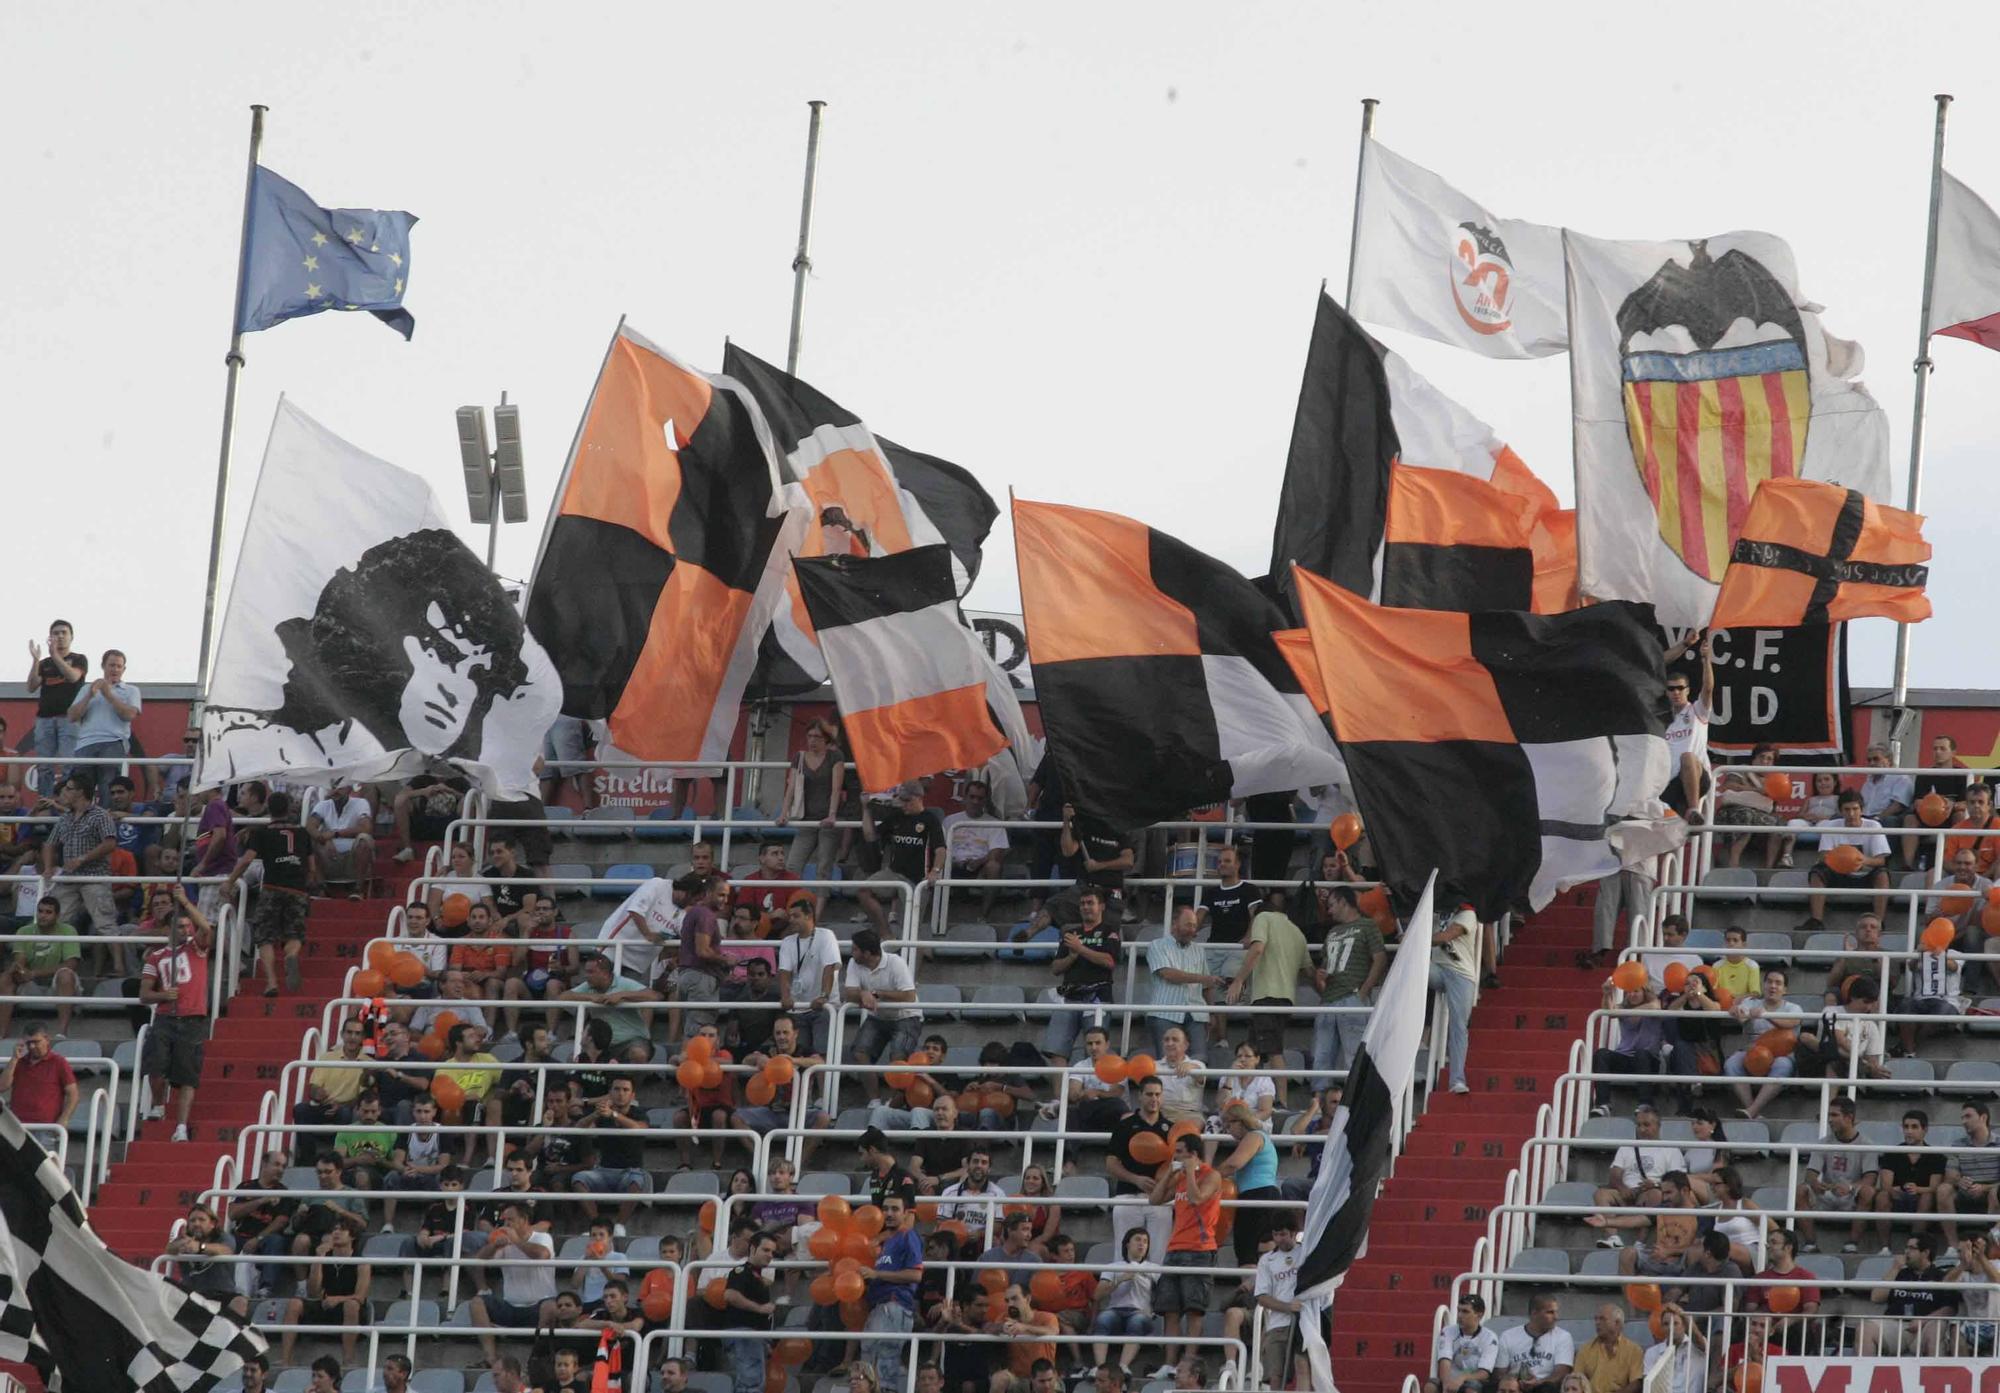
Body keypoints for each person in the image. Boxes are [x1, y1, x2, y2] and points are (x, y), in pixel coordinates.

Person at [139, 885, 212, 1141]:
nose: (186, 930)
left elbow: (206, 928)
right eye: (180, 927)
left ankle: (181, 1127)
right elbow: (144, 994)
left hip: (192, 1019)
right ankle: (158, 1104)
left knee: (187, 1076)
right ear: (169, 930)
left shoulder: (197, 949)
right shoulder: (155, 958)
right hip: (165, 1017)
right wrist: (163, 995)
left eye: (187, 926)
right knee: (155, 1067)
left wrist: (184, 901)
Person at [227, 789, 314, 996]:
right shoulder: (302, 833)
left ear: (269, 809)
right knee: (295, 934)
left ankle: (272, 983)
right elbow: (312, 868)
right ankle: (291, 954)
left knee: (265, 936)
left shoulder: (262, 833)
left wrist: (230, 881)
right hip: (297, 888)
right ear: (289, 809)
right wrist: (306, 888)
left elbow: (247, 859)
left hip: (272, 887)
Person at [1149, 1131, 1221, 1372]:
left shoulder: (1212, 1175)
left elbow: (1197, 1198)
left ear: (1193, 1154)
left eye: (1179, 1152)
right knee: (1169, 1309)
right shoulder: (1178, 1177)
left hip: (1200, 1249)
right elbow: (1155, 1200)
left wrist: (1190, 1172)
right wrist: (1170, 1173)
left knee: (1194, 1310)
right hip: (1174, 1248)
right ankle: (1169, 1364)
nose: (1175, 1156)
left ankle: (1188, 1363)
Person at [468, 1201, 559, 1365]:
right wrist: (494, 1246)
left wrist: (516, 1240)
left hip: (537, 1307)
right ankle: (490, 1358)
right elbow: (478, 1261)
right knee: (477, 1303)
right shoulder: (504, 1242)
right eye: (504, 1221)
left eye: (510, 1220)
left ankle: (538, 1358)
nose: (505, 1225)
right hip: (510, 1307)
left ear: (524, 1220)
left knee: (551, 1307)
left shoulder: (542, 1237)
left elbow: (542, 1255)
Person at [1041, 886, 1121, 1065]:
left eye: (1090, 903)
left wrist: (1081, 949)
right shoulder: (1071, 934)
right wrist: (1071, 956)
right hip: (1069, 996)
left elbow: (1109, 962)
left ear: (1101, 906)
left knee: (1096, 1050)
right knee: (1057, 1051)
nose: (1085, 907)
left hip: (1098, 997)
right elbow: (1055, 968)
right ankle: (1060, 1094)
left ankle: (1092, 1093)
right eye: (1082, 904)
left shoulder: (1110, 932)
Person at [1228, 895, 1312, 1062]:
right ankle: (1258, 1089)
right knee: (1254, 1052)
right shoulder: (1296, 931)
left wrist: (1238, 980)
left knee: (1273, 1051)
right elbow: (1309, 971)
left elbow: (1258, 948)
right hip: (1286, 999)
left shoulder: (1263, 917)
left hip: (1267, 997)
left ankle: (1281, 1090)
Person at [278, 1218, 371, 1367]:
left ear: (352, 1236)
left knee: (352, 1305)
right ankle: (286, 1359)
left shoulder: (361, 1262)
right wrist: (318, 1259)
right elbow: (313, 1292)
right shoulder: (324, 1257)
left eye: (342, 1229)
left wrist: (338, 1299)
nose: (336, 1232)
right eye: (334, 1229)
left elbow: (360, 1296)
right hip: (324, 1304)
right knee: (295, 1303)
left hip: (348, 1308)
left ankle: (348, 1360)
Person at [1313, 885, 1385, 1077]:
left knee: (1353, 1056)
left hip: (1352, 996)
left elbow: (1380, 958)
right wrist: (1320, 980)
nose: (1329, 910)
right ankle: (1319, 1100)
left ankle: (1351, 1103)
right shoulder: (1332, 931)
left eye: (1331, 905)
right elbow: (1327, 964)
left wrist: (1363, 992)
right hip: (1328, 999)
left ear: (1344, 902)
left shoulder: (1368, 925)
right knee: (1321, 1056)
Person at [1796, 789, 1892, 932]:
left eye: (1855, 809)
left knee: (1883, 875)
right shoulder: (1831, 825)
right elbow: (1824, 855)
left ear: (1862, 809)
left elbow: (1881, 860)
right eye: (1847, 809)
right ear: (1840, 811)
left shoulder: (1873, 826)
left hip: (1865, 874)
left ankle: (1879, 922)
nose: (1851, 814)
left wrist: (1863, 860)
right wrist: (1842, 862)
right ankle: (1816, 920)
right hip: (1838, 873)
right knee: (1817, 872)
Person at [844, 927, 923, 1098]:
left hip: (907, 1016)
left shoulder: (896, 963)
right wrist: (863, 993)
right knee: (860, 1053)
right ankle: (875, 1100)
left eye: (855, 949)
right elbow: (849, 993)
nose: (851, 952)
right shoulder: (854, 963)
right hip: (878, 1017)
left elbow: (909, 996)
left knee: (898, 1057)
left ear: (866, 953)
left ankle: (894, 1103)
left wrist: (878, 993)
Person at [859, 781, 946, 934]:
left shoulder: (930, 819)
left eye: (907, 801)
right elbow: (870, 836)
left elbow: (940, 850)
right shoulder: (896, 817)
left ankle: (920, 954)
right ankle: (886, 934)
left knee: (912, 931)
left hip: (917, 879)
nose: (903, 804)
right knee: (863, 890)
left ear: (919, 798)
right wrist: (866, 809)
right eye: (901, 800)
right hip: (893, 873)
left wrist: (935, 871)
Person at [42, 774, 116, 936]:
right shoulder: (65, 818)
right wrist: (48, 868)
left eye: (68, 788)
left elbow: (110, 843)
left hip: (95, 877)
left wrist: (82, 859)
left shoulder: (100, 815)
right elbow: (49, 844)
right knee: (55, 921)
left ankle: (119, 962)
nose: (64, 792)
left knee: (106, 925)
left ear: (80, 792)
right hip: (70, 877)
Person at [864, 1192, 924, 1390]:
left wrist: (876, 1275)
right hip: (878, 1306)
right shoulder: (881, 1242)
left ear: (906, 1213)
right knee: (869, 1362)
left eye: (895, 1209)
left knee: (884, 1367)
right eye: (885, 1209)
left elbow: (915, 1275)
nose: (889, 1213)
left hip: (895, 1304)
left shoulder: (908, 1236)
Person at [1861, 1233, 1957, 1356]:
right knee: (1866, 1329)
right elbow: (1876, 1297)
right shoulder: (1899, 1274)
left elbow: (1949, 1309)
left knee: (1936, 1328)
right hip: (1896, 1325)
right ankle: (1864, 1374)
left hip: (1925, 1327)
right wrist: (1895, 1268)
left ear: (1925, 1253)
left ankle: (1935, 1375)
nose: (1906, 1252)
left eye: (1911, 1248)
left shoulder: (1941, 1276)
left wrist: (1923, 1321)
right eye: (1906, 1248)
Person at [1146, 904, 1222, 1059]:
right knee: (1168, 1062)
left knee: (1199, 1062)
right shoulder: (1157, 945)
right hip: (1165, 1012)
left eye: (1194, 926)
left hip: (1196, 1014)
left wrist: (1212, 1013)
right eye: (1188, 925)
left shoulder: (1199, 950)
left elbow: (1206, 987)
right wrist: (1203, 978)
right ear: (1174, 923)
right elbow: (1168, 974)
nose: (1192, 930)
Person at [0, 898, 82, 1041]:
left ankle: (62, 1033)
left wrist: (34, 973)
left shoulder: (68, 930)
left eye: (48, 912)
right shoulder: (24, 931)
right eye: (40, 911)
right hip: (31, 984)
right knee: (6, 977)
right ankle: (2, 1033)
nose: (43, 915)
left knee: (66, 975)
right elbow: (20, 960)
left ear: (57, 915)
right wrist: (19, 969)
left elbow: (71, 963)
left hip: (58, 985)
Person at [574, 1075, 651, 1225]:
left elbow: (639, 1128)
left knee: (637, 1181)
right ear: (610, 1093)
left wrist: (614, 1114)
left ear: (632, 1095)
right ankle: (598, 1226)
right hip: (603, 1171)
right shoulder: (602, 1115)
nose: (621, 1093)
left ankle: (620, 1226)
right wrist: (595, 1114)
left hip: (630, 1171)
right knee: (579, 1179)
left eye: (625, 1090)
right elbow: (579, 1128)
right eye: (616, 1089)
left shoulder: (639, 1113)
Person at [558, 953, 660, 1064]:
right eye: (586, 972)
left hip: (632, 1040)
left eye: (591, 972)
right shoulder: (587, 986)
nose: (586, 976)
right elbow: (562, 997)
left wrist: (622, 995)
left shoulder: (624, 983)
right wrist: (590, 997)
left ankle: (632, 1081)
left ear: (605, 973)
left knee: (638, 1054)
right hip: (602, 1043)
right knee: (573, 1061)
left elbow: (655, 996)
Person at [1724, 968, 1797, 1119]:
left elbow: (1792, 1022)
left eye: (1778, 983)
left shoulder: (1793, 1008)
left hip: (1780, 1055)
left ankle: (1752, 1111)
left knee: (1783, 1065)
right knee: (1731, 1064)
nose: (1773, 986)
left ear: (1785, 989)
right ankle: (1752, 1109)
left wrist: (1767, 1015)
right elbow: (1742, 1016)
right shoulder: (1751, 1003)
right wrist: (1736, 1010)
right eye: (1769, 982)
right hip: (1751, 1052)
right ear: (1764, 985)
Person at [776, 893, 841, 1058]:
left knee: (821, 1055)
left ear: (809, 916)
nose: (791, 920)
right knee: (798, 1056)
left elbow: (829, 967)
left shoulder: (826, 935)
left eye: (796, 916)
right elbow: (784, 972)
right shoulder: (788, 941)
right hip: (797, 1008)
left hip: (824, 1007)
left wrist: (824, 996)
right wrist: (785, 996)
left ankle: (824, 1085)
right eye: (790, 916)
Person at [1214, 1100, 1278, 1267]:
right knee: (1261, 1244)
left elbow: (1233, 1164)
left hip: (1257, 1194)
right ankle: (1258, 1286)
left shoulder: (1254, 1136)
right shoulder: (1258, 1137)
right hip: (1262, 1193)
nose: (1228, 1131)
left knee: (1247, 1246)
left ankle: (1250, 1286)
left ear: (1240, 1121)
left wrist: (1209, 1177)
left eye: (1229, 1125)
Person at [669, 873, 732, 1040]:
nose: (724, 900)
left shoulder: (694, 912)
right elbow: (703, 951)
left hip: (689, 976)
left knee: (693, 1031)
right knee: (700, 1033)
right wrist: (726, 960)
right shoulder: (705, 914)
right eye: (721, 895)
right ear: (708, 892)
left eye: (727, 896)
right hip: (700, 978)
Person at [780, 719, 846, 873]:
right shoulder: (800, 757)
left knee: (824, 865)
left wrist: (832, 815)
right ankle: (793, 897)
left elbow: (836, 788)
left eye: (817, 737)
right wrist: (784, 814)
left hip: (828, 817)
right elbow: (791, 788)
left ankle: (821, 898)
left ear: (826, 739)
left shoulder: (835, 756)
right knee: (792, 865)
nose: (812, 741)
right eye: (810, 736)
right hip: (807, 818)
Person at [1661, 634, 1714, 821]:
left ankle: (1693, 810)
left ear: (1688, 690)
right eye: (1671, 689)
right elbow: (1655, 664)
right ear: (1666, 692)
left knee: (1687, 757)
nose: (1676, 692)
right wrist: (1684, 644)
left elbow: (1708, 689)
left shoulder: (1697, 711)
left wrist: (1706, 659)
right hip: (1671, 781)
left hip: (1698, 777)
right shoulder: (1662, 720)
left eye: (1680, 688)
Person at [1090, 1227, 1157, 1371]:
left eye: (1145, 1241)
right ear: (1127, 1244)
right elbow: (1097, 1295)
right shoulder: (1112, 1267)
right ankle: (1100, 1367)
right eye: (1138, 1240)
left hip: (1140, 1313)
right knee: (1103, 1319)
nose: (1142, 1244)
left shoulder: (1154, 1268)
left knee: (1136, 1321)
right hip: (1115, 1311)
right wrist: (1120, 1279)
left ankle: (1123, 1366)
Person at [1429, 905, 1480, 1094]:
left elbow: (1445, 936)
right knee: (1413, 964)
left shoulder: (1468, 914)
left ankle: (1457, 1080)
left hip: (1461, 976)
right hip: (1438, 969)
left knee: (1458, 1026)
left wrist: (1417, 940)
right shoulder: (1440, 912)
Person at [942, 778, 1009, 917]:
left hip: (979, 867)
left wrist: (979, 862)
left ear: (985, 800)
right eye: (972, 797)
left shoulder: (995, 823)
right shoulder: (949, 820)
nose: (975, 802)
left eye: (980, 798)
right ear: (965, 797)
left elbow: (997, 852)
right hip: (950, 865)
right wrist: (951, 862)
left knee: (994, 867)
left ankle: (983, 917)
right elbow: (939, 847)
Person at [1252, 1211, 1304, 1389]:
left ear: (1293, 1232)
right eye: (1276, 1234)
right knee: (1276, 1376)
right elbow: (1262, 1297)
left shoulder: (1306, 1252)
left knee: (1303, 1371)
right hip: (1277, 1325)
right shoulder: (1267, 1260)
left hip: (1305, 1322)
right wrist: (1288, 1307)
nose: (1279, 1239)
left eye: (1283, 1234)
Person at [723, 1230, 778, 1393]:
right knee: (750, 1385)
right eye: (766, 1250)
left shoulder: (758, 1277)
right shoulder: (742, 1272)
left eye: (773, 1252)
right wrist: (760, 1308)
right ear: (753, 1249)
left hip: (754, 1336)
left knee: (753, 1383)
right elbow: (730, 1295)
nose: (770, 1255)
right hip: (745, 1333)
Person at [1939, 1099, 2000, 1244]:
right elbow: (1950, 1175)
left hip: (1992, 1190)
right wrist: (1958, 1180)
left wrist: (1984, 1187)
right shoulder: (1958, 1144)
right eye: (1962, 1118)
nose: (1964, 1121)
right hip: (1964, 1192)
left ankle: (1993, 1243)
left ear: (1983, 1117)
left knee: (1995, 1192)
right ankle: (1953, 1247)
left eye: (1968, 1116)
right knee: (1943, 1189)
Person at [67, 648, 141, 764]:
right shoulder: (86, 689)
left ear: (124, 669)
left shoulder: (131, 690)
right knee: (81, 781)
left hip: (114, 742)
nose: (115, 669)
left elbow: (129, 715)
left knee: (109, 781)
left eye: (119, 666)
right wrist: (89, 695)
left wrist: (108, 694)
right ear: (103, 666)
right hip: (85, 743)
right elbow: (71, 717)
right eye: (111, 665)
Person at [307, 778, 376, 899]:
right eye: (333, 788)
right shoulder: (323, 805)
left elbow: (366, 827)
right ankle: (321, 888)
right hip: (329, 858)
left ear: (349, 788)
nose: (336, 791)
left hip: (352, 860)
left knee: (364, 839)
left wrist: (335, 834)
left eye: (340, 788)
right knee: (311, 840)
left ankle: (358, 889)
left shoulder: (360, 803)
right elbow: (310, 826)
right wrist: (323, 839)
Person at [1494, 1292, 1573, 1393]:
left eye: (1556, 1312)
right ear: (1534, 1313)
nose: (1556, 1317)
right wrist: (1515, 1383)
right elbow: (1500, 1373)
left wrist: (1538, 1383)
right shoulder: (1508, 1336)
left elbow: (1561, 1373)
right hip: (1515, 1387)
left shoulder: (1563, 1336)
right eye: (1550, 1312)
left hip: (1544, 1388)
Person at [0, 1024, 77, 1127]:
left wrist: (64, 1119)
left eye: (36, 1042)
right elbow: (2, 1086)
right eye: (29, 1043)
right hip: (17, 1126)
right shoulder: (18, 1063)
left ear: (47, 1039)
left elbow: (73, 1094)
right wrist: (14, 1058)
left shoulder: (59, 1062)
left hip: (46, 1127)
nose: (32, 1046)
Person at [1427, 1293, 1500, 1393]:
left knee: (1471, 1390)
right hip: (1450, 1379)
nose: (1460, 1315)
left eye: (1465, 1311)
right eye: (1459, 1310)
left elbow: (1484, 1373)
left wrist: (1462, 1377)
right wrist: (1446, 1385)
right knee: (1431, 1386)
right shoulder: (1448, 1331)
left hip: (1474, 1381)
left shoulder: (1490, 1337)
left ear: (1479, 1315)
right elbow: (1445, 1361)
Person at [1571, 1304, 1643, 1393]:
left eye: (1602, 1319)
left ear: (1617, 1323)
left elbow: (1636, 1384)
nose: (1597, 1323)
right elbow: (1577, 1380)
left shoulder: (1634, 1350)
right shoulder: (1585, 1349)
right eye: (1596, 1319)